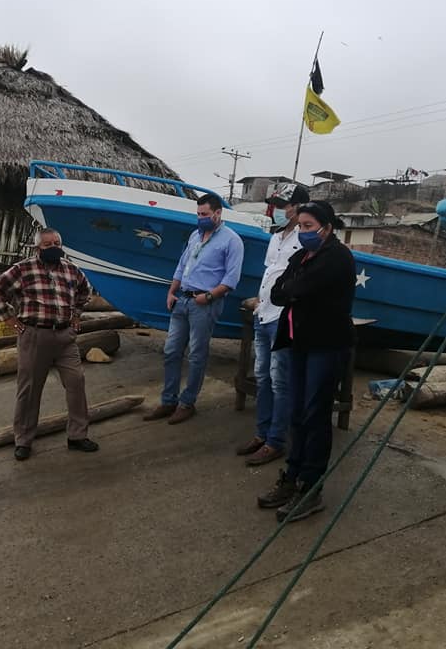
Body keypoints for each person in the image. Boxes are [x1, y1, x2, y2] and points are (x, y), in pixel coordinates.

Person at [256, 201, 355, 522]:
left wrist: (294, 290)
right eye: (300, 226)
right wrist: (294, 290)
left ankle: (311, 488)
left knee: (315, 414)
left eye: (308, 226)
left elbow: (299, 287)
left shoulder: (338, 257)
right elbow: (278, 293)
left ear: (327, 227)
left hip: (326, 346)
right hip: (298, 342)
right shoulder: (301, 257)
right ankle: (293, 475)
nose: (302, 231)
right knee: (297, 413)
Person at [0, 227, 99, 460]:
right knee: (29, 390)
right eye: (48, 245)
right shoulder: (23, 269)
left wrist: (76, 315)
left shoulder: (70, 269)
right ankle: (24, 440)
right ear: (38, 247)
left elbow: (85, 290)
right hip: (35, 336)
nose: (53, 248)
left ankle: (77, 435)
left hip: (65, 337)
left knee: (76, 382)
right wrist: (8, 318)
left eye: (57, 243)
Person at [143, 193, 244, 425]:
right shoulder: (194, 235)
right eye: (198, 214)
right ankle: (168, 400)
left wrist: (208, 296)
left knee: (197, 354)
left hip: (205, 303)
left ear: (218, 213)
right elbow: (182, 266)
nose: (200, 218)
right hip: (183, 299)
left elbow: (232, 279)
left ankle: (187, 403)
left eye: (205, 214)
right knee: (171, 351)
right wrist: (172, 291)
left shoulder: (232, 240)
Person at [236, 183, 310, 466]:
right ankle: (262, 432)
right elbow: (271, 272)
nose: (278, 210)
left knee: (280, 381)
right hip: (264, 315)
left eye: (283, 205)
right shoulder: (276, 237)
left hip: (283, 318)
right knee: (263, 377)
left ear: (299, 207)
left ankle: (276, 440)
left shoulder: (305, 238)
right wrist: (259, 301)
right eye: (276, 204)